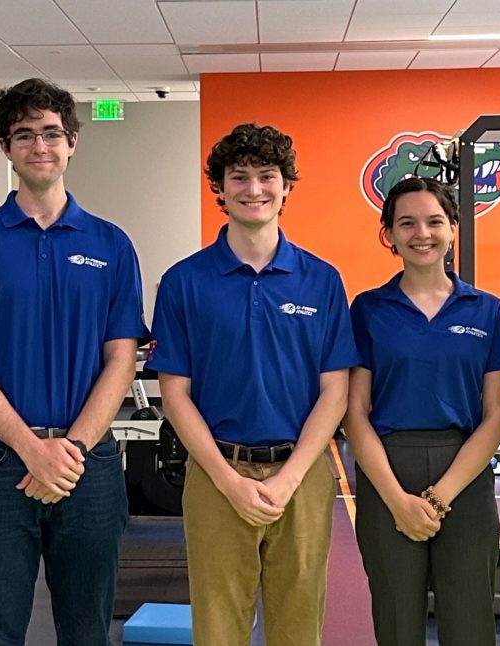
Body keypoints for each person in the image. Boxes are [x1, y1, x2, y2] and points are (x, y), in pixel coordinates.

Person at [0, 78, 148, 646]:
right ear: (6, 147)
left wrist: (70, 451)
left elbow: (121, 360)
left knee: (87, 631)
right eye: (23, 135)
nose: (39, 145)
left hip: (90, 464)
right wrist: (33, 450)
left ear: (72, 141)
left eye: (51, 132)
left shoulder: (111, 244)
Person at [146, 122, 360, 646]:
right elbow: (174, 393)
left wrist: (286, 479)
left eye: (267, 176)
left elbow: (336, 391)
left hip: (303, 475)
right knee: (218, 630)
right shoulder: (184, 281)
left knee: (298, 626)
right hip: (217, 474)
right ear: (218, 188)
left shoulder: (322, 279)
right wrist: (227, 480)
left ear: (287, 185)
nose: (254, 189)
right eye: (238, 177)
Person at [344, 177, 500, 646]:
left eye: (435, 221)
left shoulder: (488, 311)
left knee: (470, 623)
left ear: (454, 227)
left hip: (466, 474)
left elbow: (495, 416)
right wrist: (398, 500)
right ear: (389, 234)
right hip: (387, 472)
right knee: (397, 622)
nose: (423, 233)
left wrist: (439, 498)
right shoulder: (369, 309)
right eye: (407, 223)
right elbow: (354, 413)